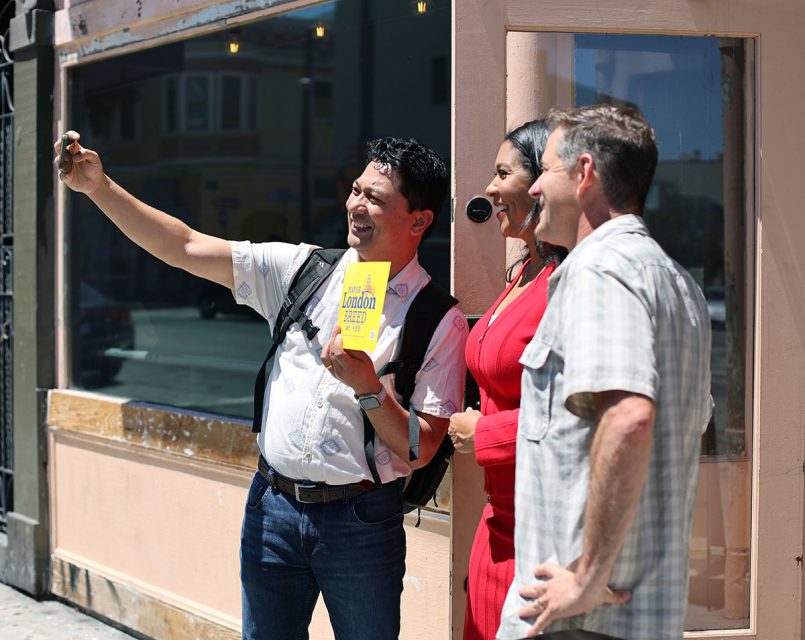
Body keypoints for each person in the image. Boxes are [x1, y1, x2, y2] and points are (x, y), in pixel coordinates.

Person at [55, 133, 468, 640]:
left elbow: (423, 447)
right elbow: (184, 246)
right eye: (356, 189)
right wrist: (100, 188)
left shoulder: (437, 319)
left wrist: (369, 388)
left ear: (419, 220)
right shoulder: (304, 270)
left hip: (361, 521)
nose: (357, 205)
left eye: (376, 198)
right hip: (271, 506)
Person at [496, 105, 711, 640]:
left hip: (577, 619)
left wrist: (587, 579)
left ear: (584, 173)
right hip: (635, 618)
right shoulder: (678, 283)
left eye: (544, 169)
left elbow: (630, 417)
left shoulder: (598, 268)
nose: (536, 186)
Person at [448, 120, 565, 640]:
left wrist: (485, 435)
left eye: (503, 173)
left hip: (546, 536)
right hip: (497, 524)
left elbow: (587, 414)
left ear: (542, 183)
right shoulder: (523, 272)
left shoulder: (570, 283)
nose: (490, 189)